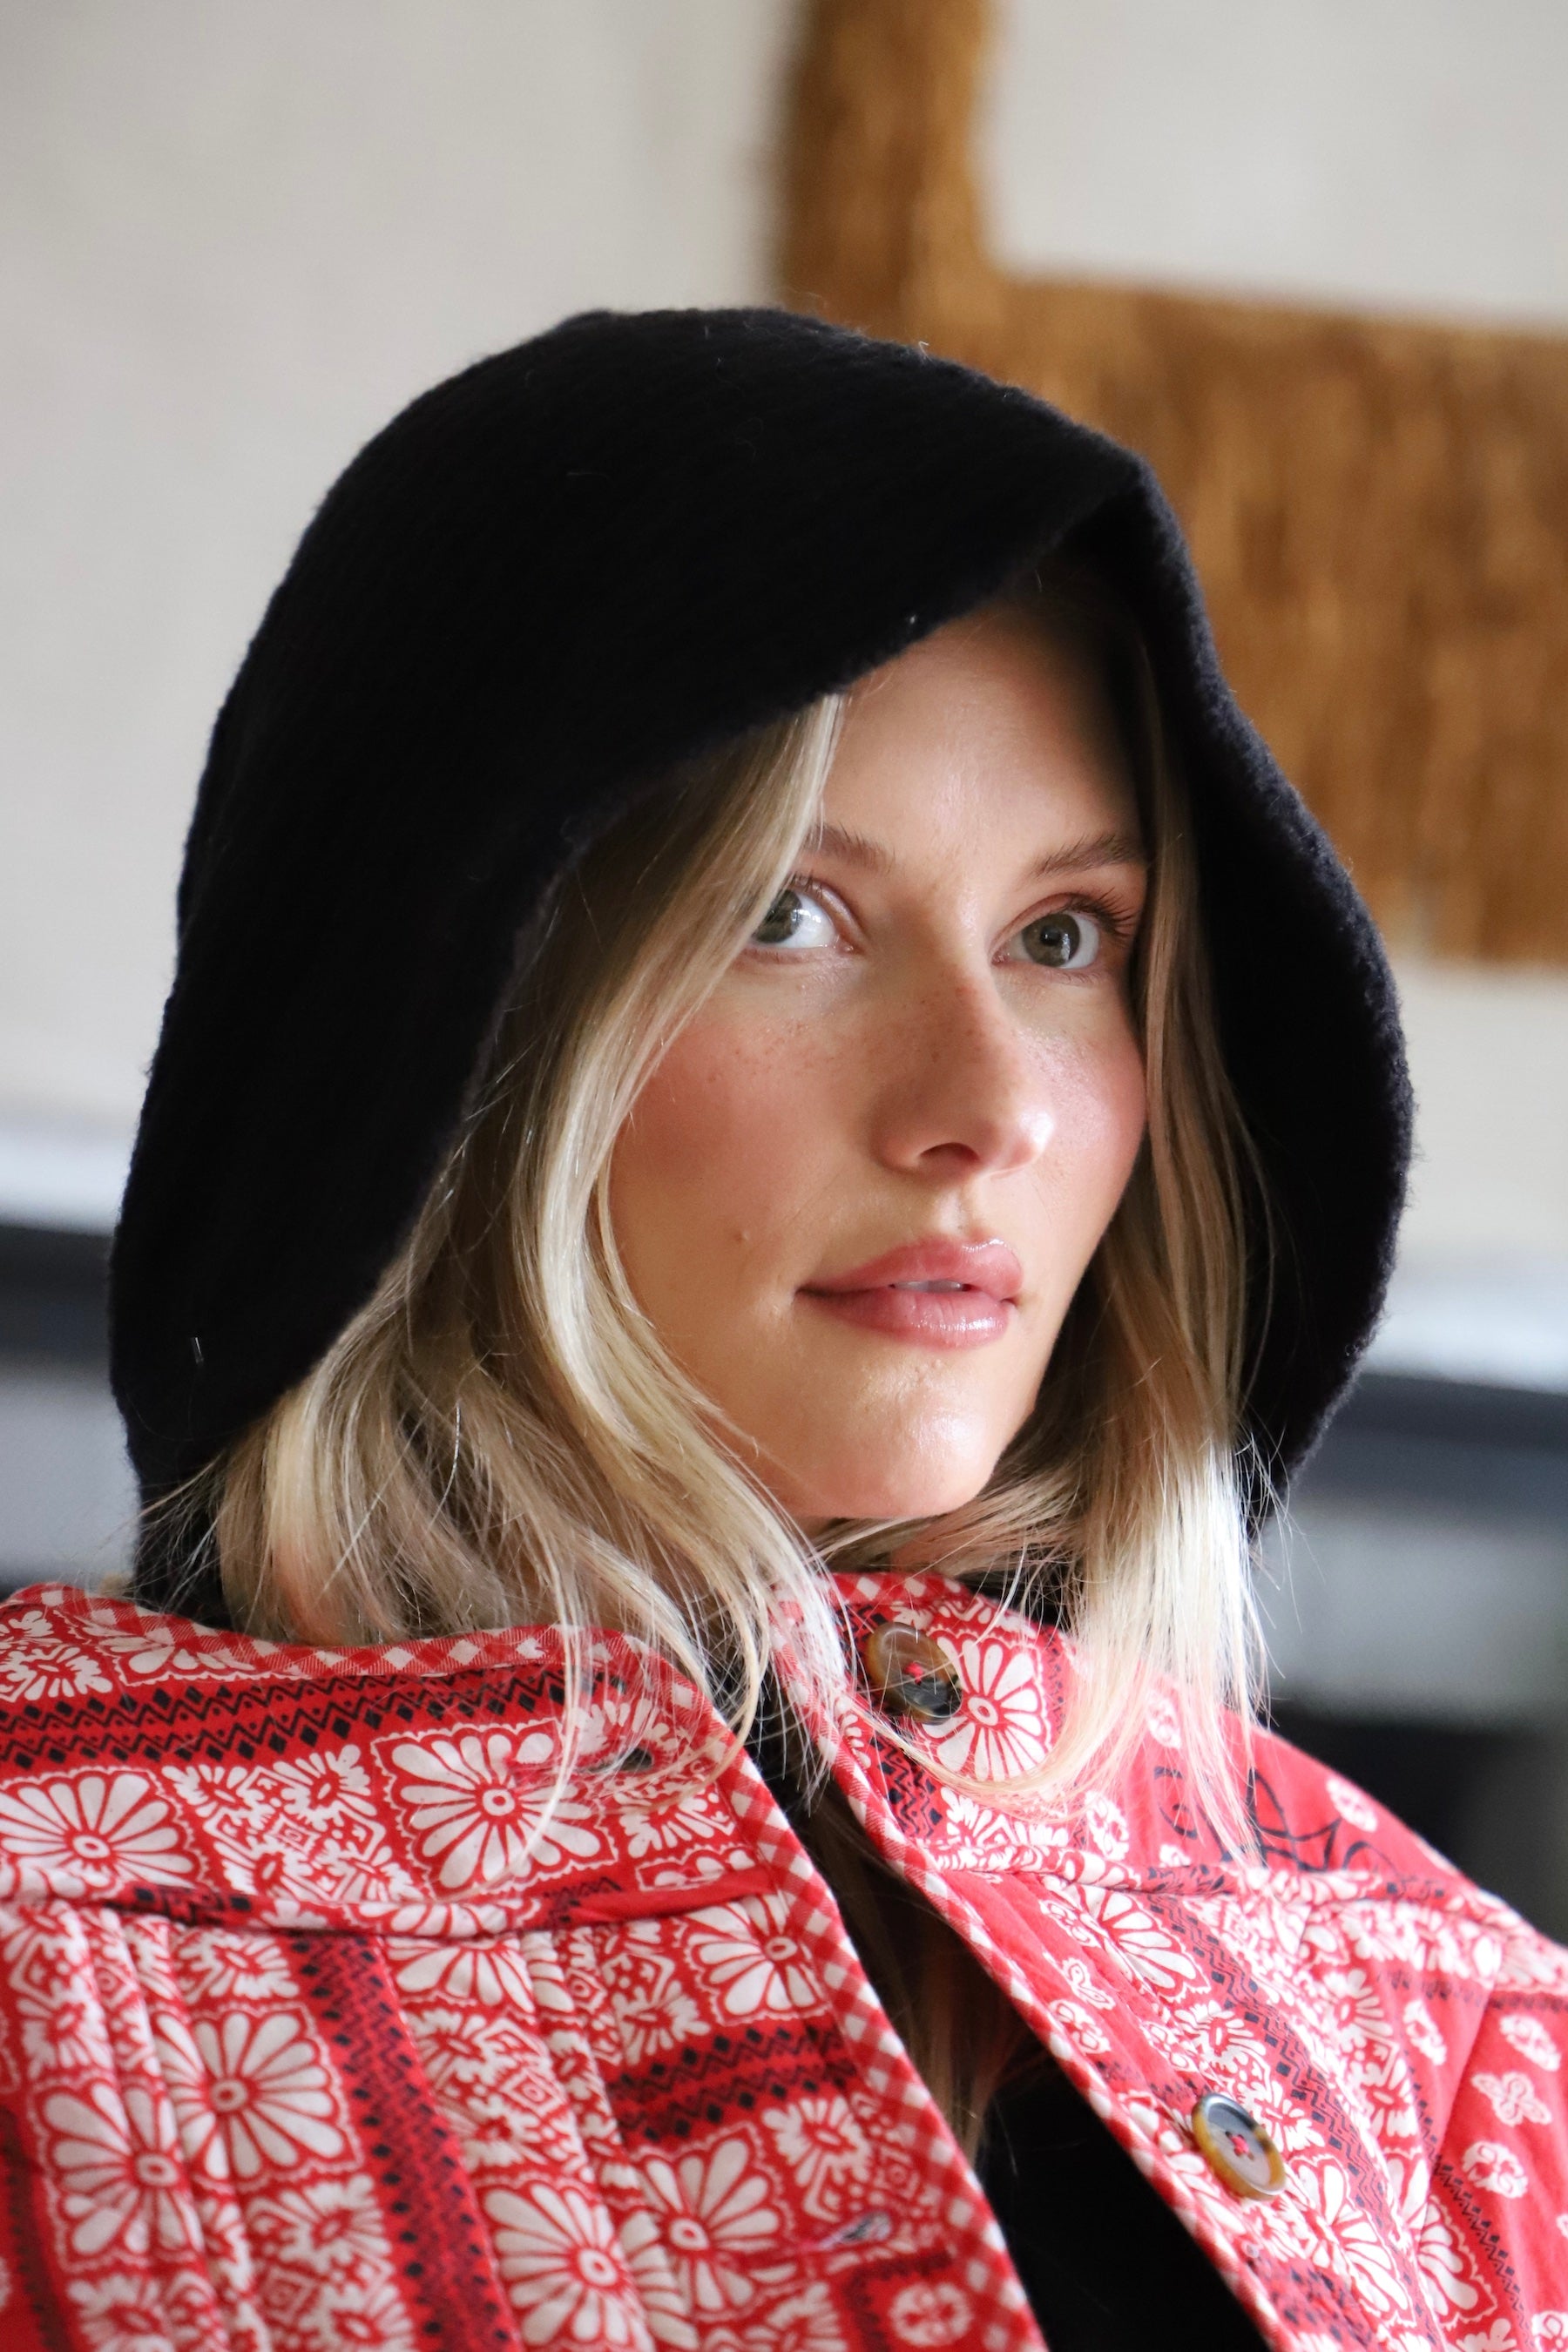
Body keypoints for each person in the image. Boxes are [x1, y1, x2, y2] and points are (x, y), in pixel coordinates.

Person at [0, 308, 1561, 2351]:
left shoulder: (1446, 2032)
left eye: (1064, 936)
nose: (991, 1107)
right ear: (435, 1031)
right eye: (788, 915)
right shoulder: (42, 1943)